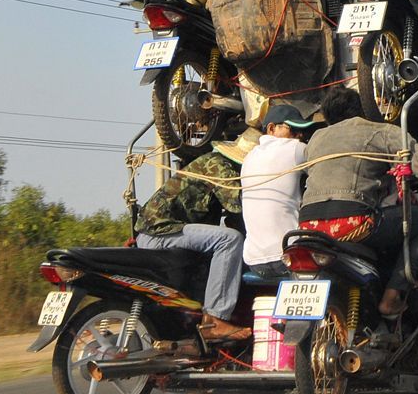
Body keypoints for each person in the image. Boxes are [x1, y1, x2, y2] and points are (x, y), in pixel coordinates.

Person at [301, 86, 418, 317]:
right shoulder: (381, 131)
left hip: (308, 228)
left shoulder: (315, 139)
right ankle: (391, 297)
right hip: (352, 223)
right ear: (363, 108)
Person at [134, 129, 260, 341]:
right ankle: (215, 320)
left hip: (157, 232)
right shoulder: (220, 167)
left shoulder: (212, 162)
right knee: (229, 240)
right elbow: (241, 209)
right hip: (160, 232)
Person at [241, 104, 316, 279]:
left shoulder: (248, 158)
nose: (299, 136)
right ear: (272, 128)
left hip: (254, 262)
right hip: (288, 256)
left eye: (301, 132)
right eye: (294, 129)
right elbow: (325, 168)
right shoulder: (294, 148)